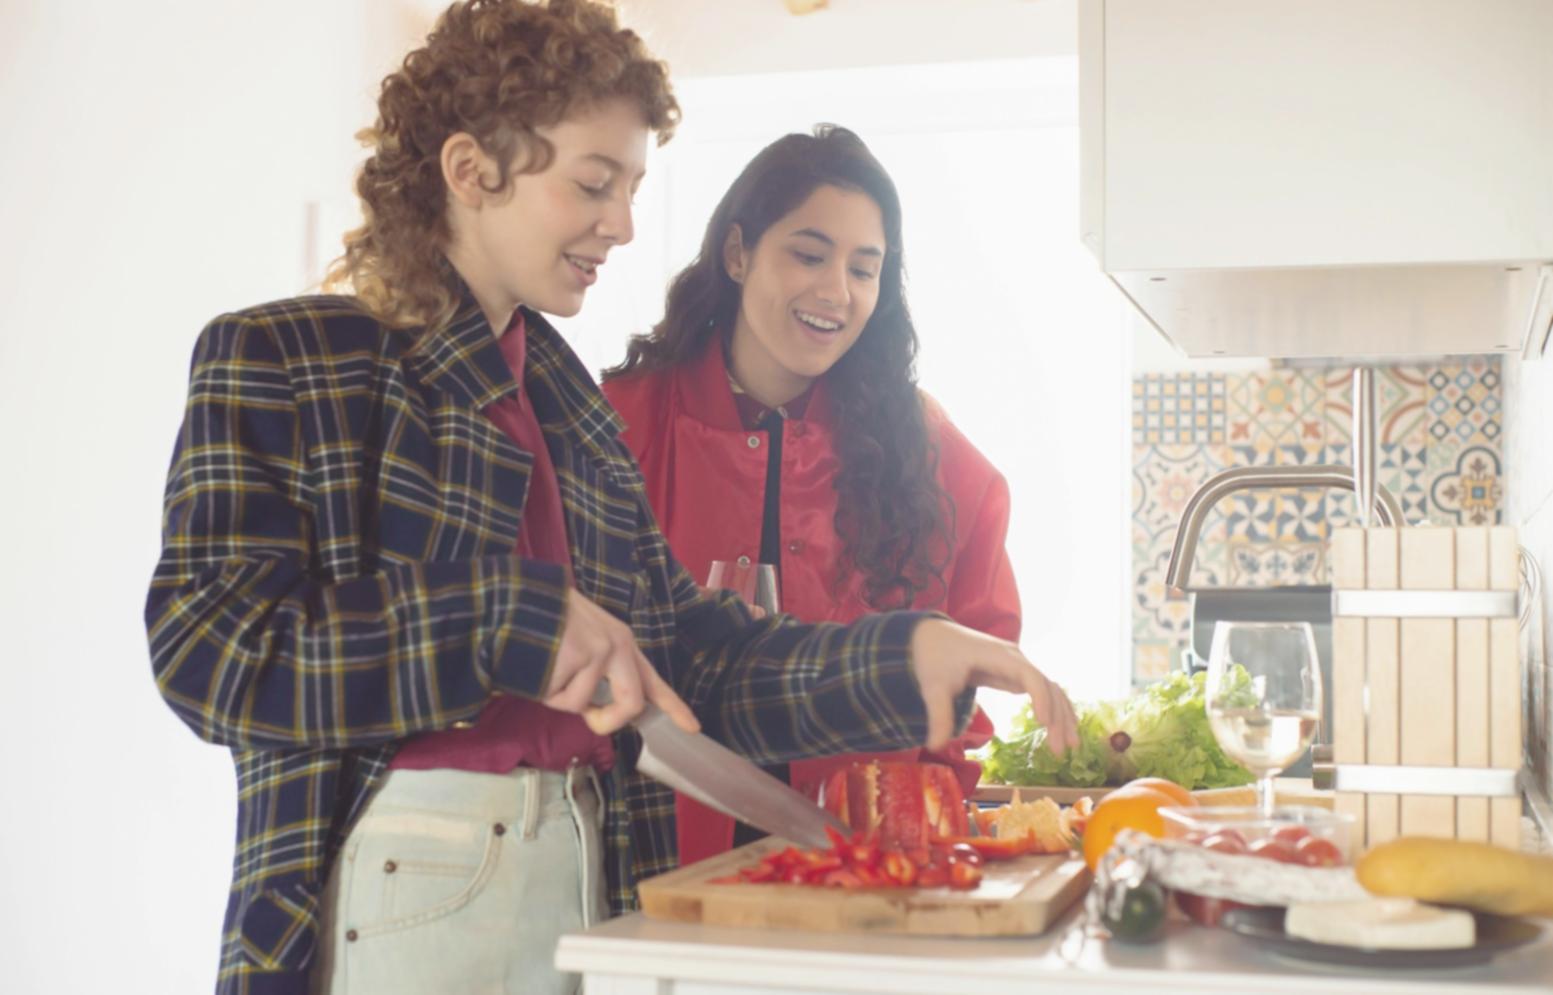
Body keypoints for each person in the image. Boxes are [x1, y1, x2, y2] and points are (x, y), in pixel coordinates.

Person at [145, 4, 1078, 993]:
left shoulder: (570, 409)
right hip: (404, 879)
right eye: (593, 184)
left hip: (590, 868)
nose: (624, 225)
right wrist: (506, 621)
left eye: (632, 189)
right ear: (470, 170)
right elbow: (212, 646)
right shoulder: (286, 356)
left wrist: (901, 653)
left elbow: (688, 660)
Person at [601, 126, 1030, 865]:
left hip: (857, 867)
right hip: (653, 860)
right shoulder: (616, 424)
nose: (835, 291)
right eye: (807, 254)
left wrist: (917, 822)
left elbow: (971, 663)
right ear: (737, 254)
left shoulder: (929, 451)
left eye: (865, 269)